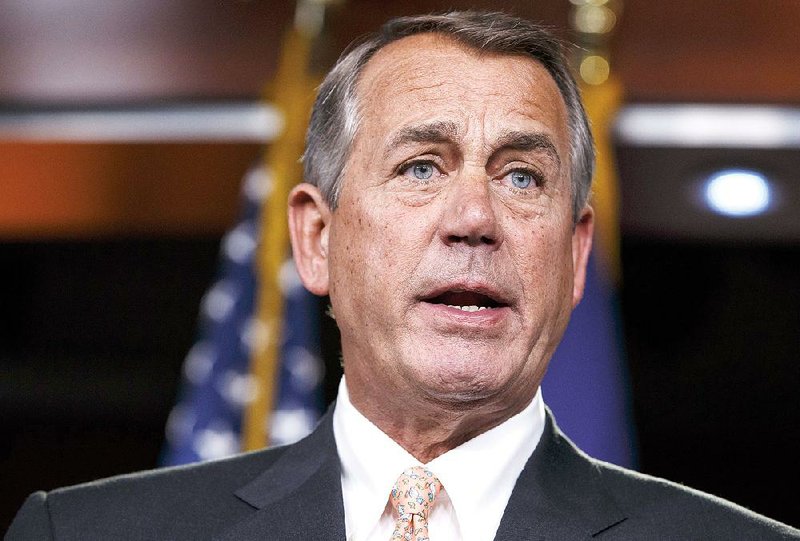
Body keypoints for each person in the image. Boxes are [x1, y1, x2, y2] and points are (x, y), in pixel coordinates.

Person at [6, 11, 798, 541]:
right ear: (315, 238)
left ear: (575, 253)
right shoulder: (84, 534)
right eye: (422, 167)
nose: (475, 217)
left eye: (523, 177)